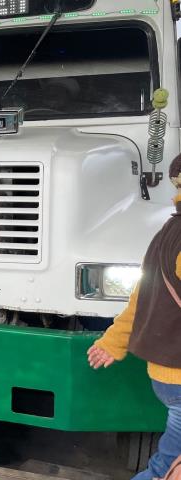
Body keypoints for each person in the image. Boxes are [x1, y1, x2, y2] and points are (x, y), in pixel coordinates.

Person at [88, 154, 181, 480]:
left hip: (166, 375)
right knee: (165, 470)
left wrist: (113, 342)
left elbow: (140, 299)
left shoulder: (167, 233)